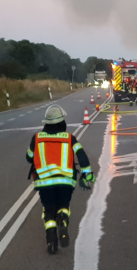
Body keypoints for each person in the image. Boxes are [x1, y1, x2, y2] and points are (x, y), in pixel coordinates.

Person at [26, 105, 95, 254]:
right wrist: (87, 173)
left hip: (44, 183)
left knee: (49, 209)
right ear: (62, 122)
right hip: (65, 182)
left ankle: (51, 241)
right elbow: (82, 155)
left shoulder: (36, 138)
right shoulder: (70, 138)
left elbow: (29, 157)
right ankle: (63, 217)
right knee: (64, 205)